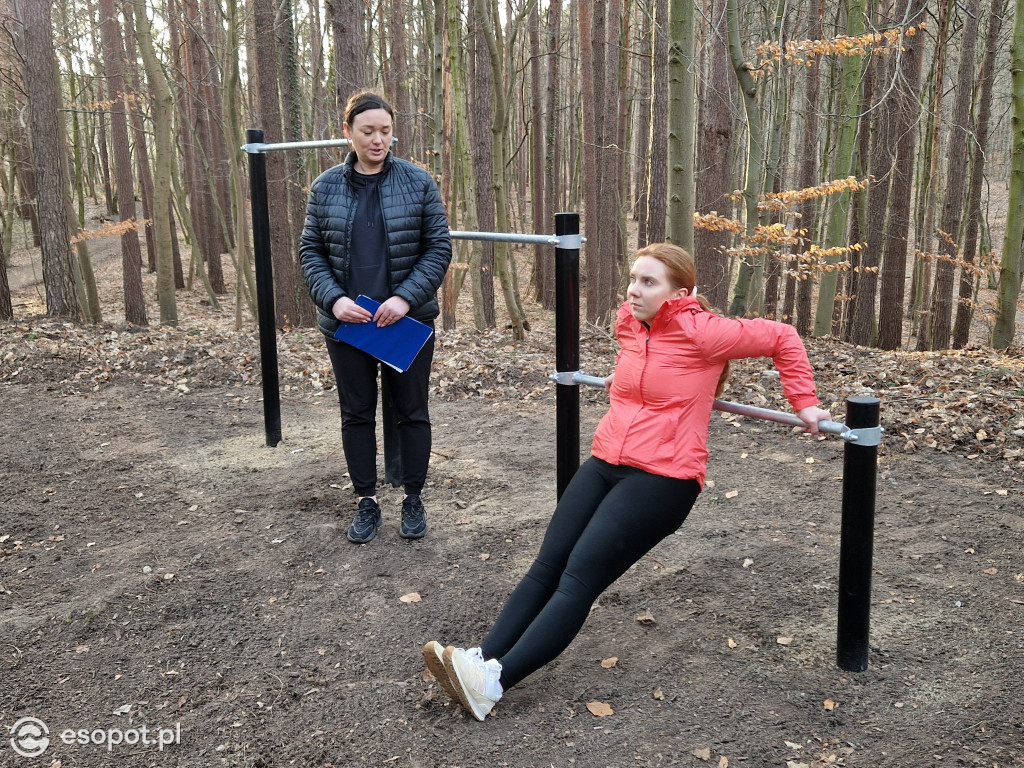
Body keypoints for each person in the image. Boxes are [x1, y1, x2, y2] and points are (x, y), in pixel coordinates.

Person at [422, 242, 832, 720]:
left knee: (578, 578)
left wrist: (803, 402)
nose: (634, 289)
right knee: (546, 565)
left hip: (664, 477)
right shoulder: (633, 325)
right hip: (606, 460)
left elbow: (783, 336)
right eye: (634, 278)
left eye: (648, 281)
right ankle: (480, 660)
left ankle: (493, 683)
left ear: (681, 290)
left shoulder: (705, 332)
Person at [300, 91, 451, 544]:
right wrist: (332, 299)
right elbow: (311, 251)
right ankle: (367, 501)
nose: (378, 139)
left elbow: (438, 247)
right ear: (348, 132)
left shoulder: (418, 181)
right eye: (368, 131)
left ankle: (413, 498)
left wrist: (405, 298)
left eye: (385, 130)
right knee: (357, 412)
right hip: (350, 324)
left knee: (412, 411)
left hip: (407, 322)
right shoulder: (325, 186)